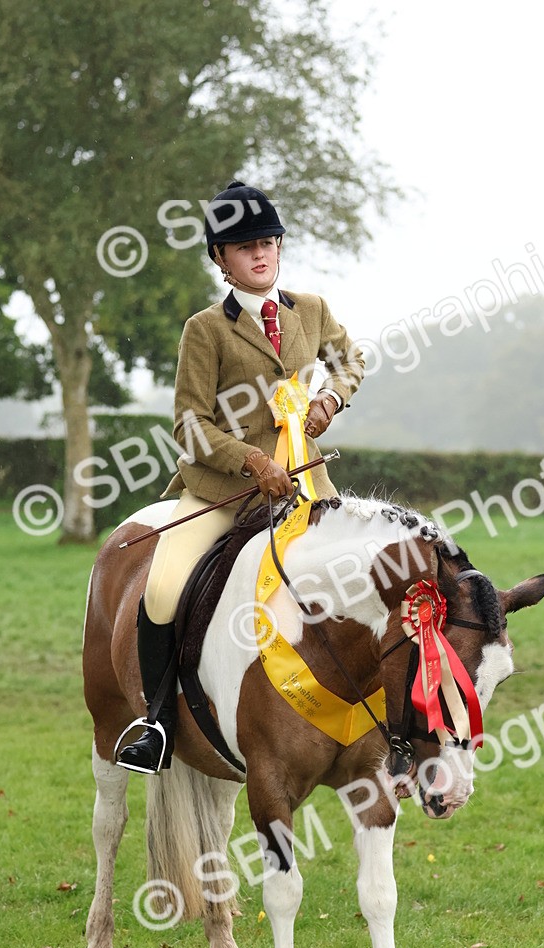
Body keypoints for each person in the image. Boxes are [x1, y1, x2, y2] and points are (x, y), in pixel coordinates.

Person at [116, 179, 365, 774]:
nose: (260, 253)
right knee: (162, 589)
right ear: (221, 261)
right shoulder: (205, 329)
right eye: (244, 246)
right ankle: (156, 721)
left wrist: (331, 400)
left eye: (268, 242)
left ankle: (379, 715)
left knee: (362, 576)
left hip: (306, 483)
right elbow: (190, 424)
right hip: (226, 492)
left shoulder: (313, 310)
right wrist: (251, 461)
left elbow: (351, 361)